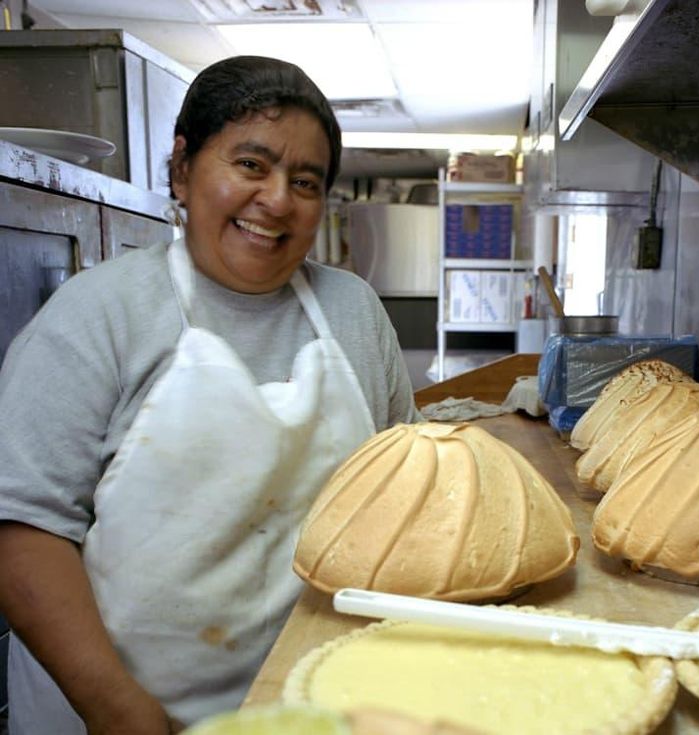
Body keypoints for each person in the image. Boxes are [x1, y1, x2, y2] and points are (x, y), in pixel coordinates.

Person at [0, 55, 420, 734]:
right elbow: (22, 530)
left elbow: (403, 489)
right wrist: (115, 706)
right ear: (182, 169)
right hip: (114, 714)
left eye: (305, 181)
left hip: (311, 706)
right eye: (251, 165)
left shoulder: (353, 312)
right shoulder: (98, 315)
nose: (278, 199)